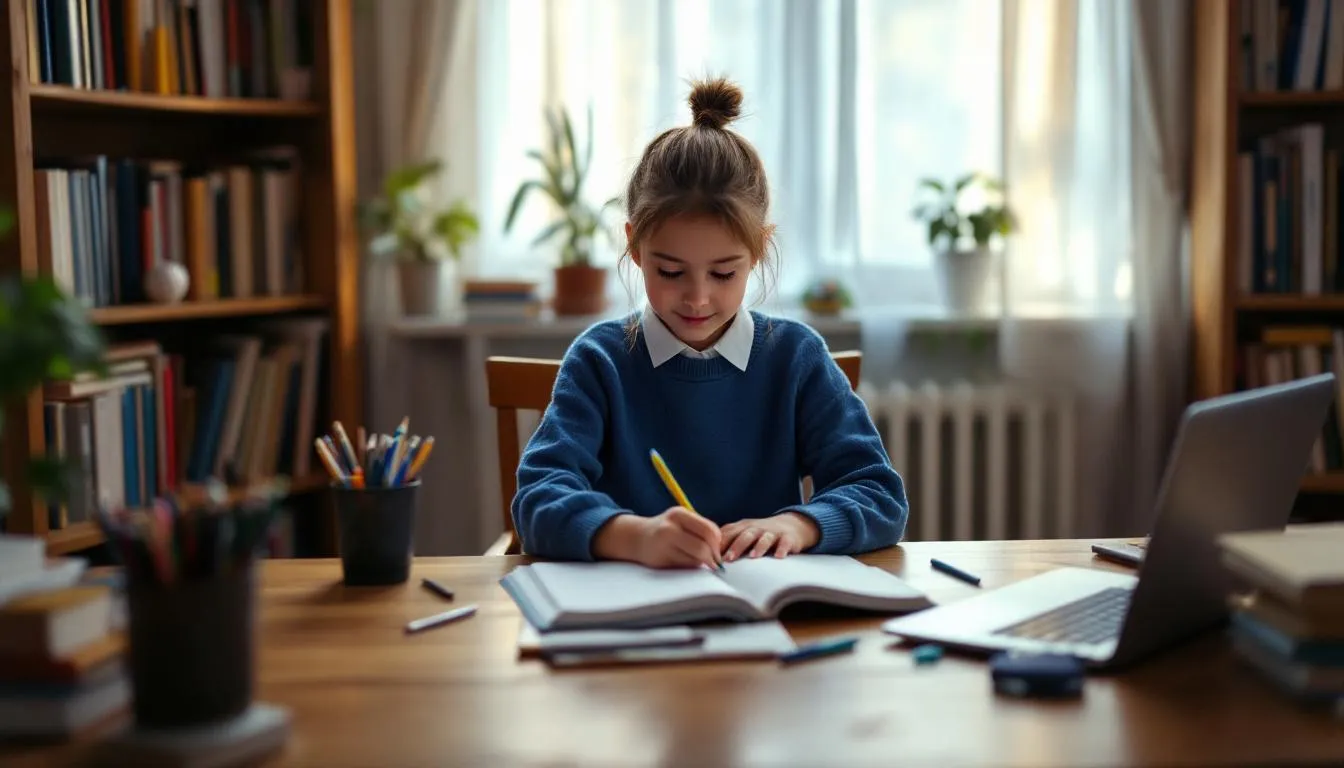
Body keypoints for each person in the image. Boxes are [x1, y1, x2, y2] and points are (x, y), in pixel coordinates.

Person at [511, 76, 909, 568]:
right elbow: (537, 500)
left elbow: (879, 494)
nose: (697, 298)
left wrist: (797, 524)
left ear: (759, 249)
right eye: (670, 271)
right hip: (632, 620)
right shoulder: (600, 362)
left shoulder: (795, 357)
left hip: (769, 619)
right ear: (634, 246)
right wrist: (634, 537)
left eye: (724, 272)